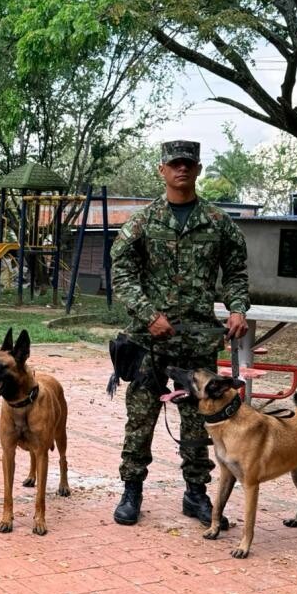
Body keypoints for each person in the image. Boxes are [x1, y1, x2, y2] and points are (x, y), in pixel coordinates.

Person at [110, 140, 249, 527]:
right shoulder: (142, 221)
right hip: (148, 341)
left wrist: (237, 307)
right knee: (141, 417)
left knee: (199, 420)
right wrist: (147, 312)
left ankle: (196, 493)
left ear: (198, 169)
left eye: (188, 164)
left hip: (196, 342)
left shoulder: (219, 223)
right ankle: (132, 490)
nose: (181, 170)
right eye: (174, 164)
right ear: (162, 170)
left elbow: (236, 272)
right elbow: (121, 271)